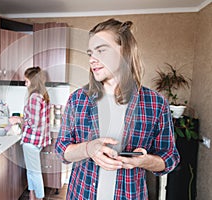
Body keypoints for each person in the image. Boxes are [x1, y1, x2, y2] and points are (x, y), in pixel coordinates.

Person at [55, 18, 180, 200]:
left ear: (125, 51)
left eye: (101, 50)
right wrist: (88, 149)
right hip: (80, 194)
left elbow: (170, 158)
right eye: (90, 53)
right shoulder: (78, 99)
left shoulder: (155, 103)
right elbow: (61, 148)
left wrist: (145, 161)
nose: (92, 60)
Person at [20, 66, 51, 200]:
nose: (25, 83)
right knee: (32, 171)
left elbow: (34, 122)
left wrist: (19, 120)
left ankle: (39, 197)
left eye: (26, 80)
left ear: (32, 81)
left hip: (31, 141)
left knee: (35, 172)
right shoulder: (43, 95)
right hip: (38, 141)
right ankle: (32, 196)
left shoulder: (34, 97)